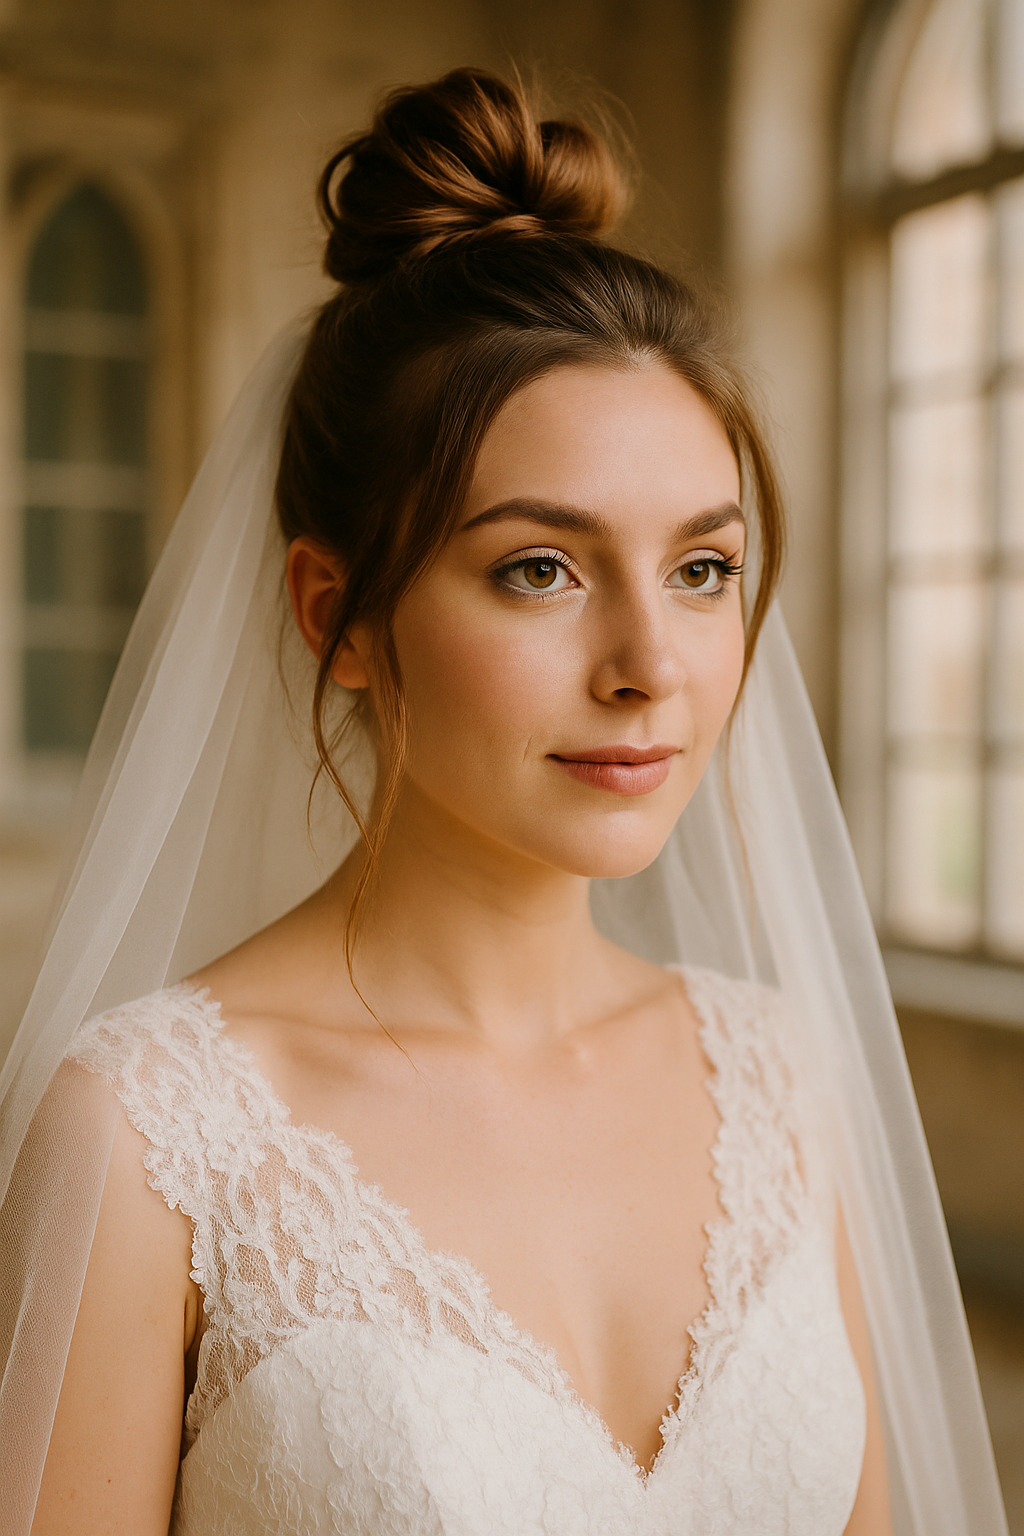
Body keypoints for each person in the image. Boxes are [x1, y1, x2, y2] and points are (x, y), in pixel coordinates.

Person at [0, 68, 1007, 1536]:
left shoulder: (781, 1078)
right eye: (541, 568)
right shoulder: (147, 1135)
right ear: (339, 616)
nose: (650, 666)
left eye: (703, 569)